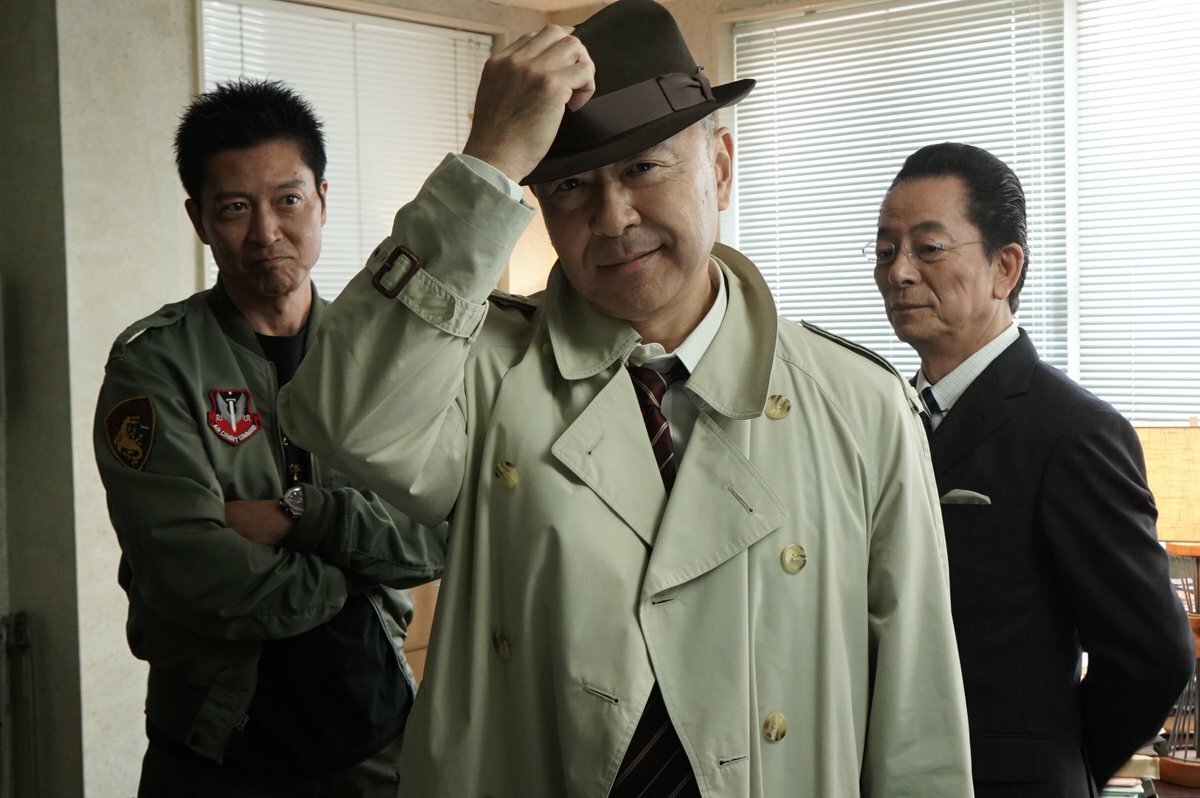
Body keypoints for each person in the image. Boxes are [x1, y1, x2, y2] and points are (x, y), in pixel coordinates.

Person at [280, 1, 973, 795]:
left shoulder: (860, 405)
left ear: (719, 168)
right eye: (570, 185)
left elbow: (917, 724)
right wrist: (488, 161)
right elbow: (344, 418)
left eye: (644, 168)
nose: (611, 219)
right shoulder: (480, 372)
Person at [93, 79, 444, 797]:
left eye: (287, 200)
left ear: (322, 199)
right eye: (234, 207)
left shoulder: (378, 354)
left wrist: (300, 518)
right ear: (199, 219)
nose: (265, 233)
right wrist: (358, 568)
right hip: (217, 752)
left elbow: (433, 535)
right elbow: (192, 571)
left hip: (378, 740)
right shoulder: (155, 364)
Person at [870, 141, 1193, 797]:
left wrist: (1057, 761)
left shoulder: (1075, 430)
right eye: (884, 251)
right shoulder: (880, 416)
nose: (899, 272)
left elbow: (1152, 654)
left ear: (1005, 267)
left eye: (928, 248)